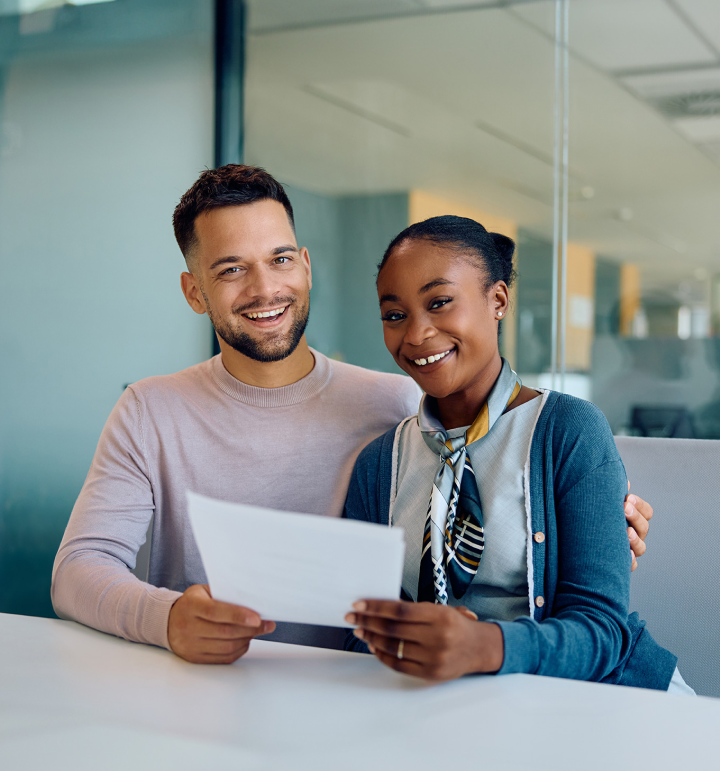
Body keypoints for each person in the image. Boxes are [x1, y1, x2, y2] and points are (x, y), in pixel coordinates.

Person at [52, 164, 652, 665]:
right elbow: (79, 568)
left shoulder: (397, 410)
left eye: (280, 258)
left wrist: (603, 515)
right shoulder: (150, 410)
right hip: (210, 686)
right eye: (231, 269)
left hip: (360, 690)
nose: (265, 288)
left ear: (306, 266)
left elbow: (529, 487)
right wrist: (168, 617)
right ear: (194, 292)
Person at [342, 215, 691, 693]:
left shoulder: (568, 430)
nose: (417, 333)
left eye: (440, 302)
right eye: (395, 315)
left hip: (598, 699)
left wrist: (484, 647)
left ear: (498, 300)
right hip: (446, 707)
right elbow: (358, 629)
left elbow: (603, 631)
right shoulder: (380, 463)